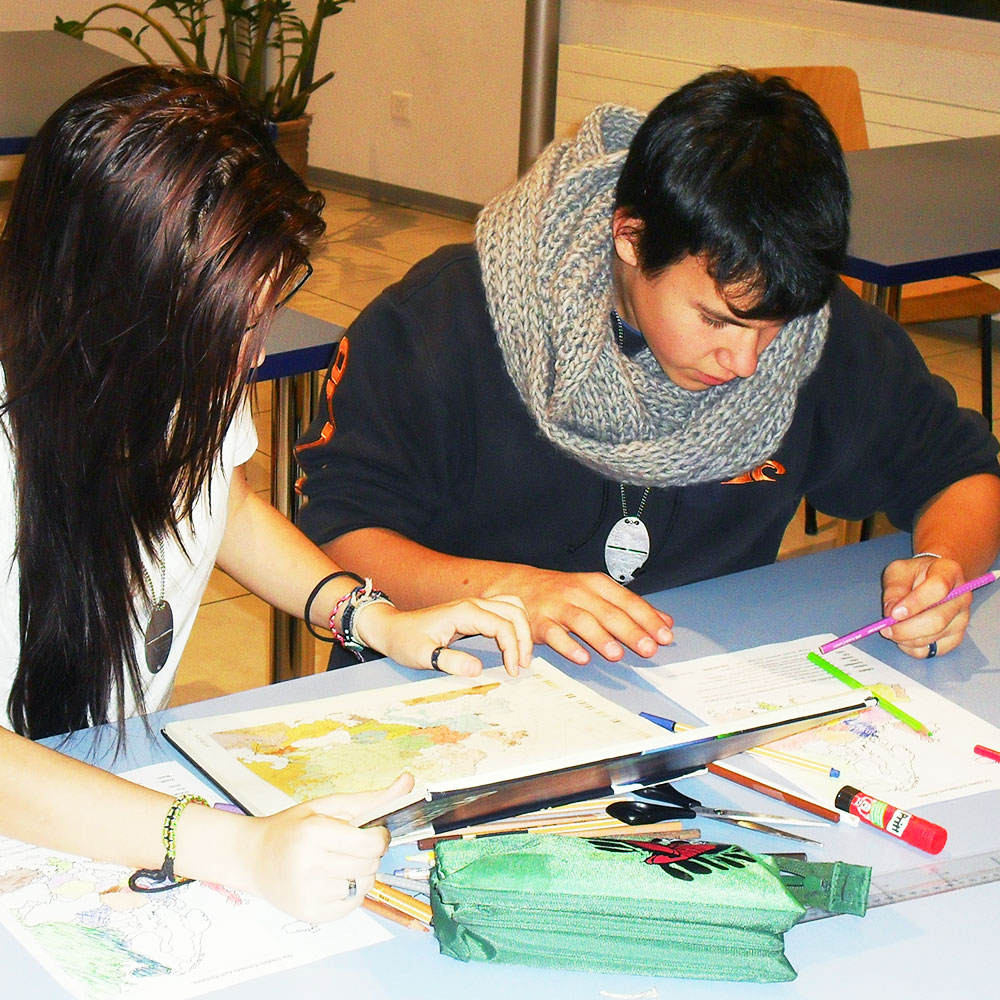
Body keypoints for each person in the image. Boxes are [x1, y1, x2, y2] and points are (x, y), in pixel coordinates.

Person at [0, 65, 532, 925]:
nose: (250, 354)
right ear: (111, 296)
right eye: (230, 322)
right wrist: (236, 847)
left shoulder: (171, 361)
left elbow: (228, 507)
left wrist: (371, 617)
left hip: (113, 786)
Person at [296, 67, 1000, 670]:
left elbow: (961, 472)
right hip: (454, 678)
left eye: (773, 328)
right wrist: (511, 590)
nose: (749, 361)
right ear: (630, 238)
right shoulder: (442, 319)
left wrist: (943, 572)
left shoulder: (811, 334)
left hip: (691, 696)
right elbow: (336, 532)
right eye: (718, 320)